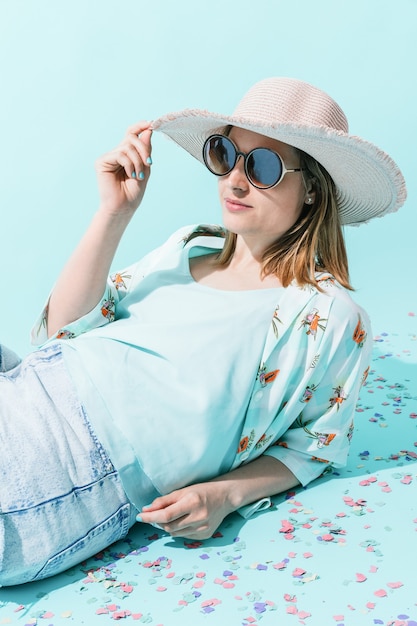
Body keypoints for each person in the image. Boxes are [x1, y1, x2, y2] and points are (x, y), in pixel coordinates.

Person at [0, 77, 406, 587]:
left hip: (71, 462)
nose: (235, 180)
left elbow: (313, 447)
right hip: (24, 384)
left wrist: (225, 495)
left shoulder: (325, 316)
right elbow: (61, 331)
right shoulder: (186, 246)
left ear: (312, 189)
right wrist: (114, 212)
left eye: (263, 166)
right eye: (226, 154)